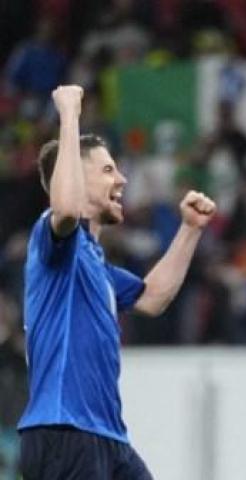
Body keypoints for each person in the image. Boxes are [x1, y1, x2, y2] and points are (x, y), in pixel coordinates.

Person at [18, 85, 216, 480]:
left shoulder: (96, 264)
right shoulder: (54, 242)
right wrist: (70, 113)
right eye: (108, 169)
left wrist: (190, 230)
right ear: (76, 175)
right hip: (64, 432)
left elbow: (153, 297)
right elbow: (66, 209)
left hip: (108, 438)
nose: (122, 179)